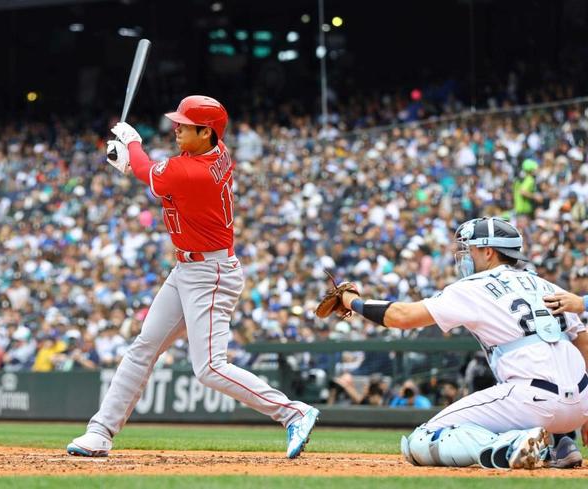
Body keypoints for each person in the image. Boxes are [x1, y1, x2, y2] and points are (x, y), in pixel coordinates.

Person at [67, 95, 318, 459]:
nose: (176, 128)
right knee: (144, 347)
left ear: (207, 132)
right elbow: (155, 171)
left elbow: (147, 171)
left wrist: (131, 145)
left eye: (185, 125)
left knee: (210, 368)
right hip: (188, 268)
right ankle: (101, 431)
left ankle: (293, 411)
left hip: (210, 273)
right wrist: (130, 155)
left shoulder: (193, 171)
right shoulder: (212, 154)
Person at [333, 217, 588, 469]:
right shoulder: (547, 285)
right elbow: (584, 343)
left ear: (488, 251)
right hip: (581, 401)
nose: (465, 255)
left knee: (420, 440)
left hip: (531, 399)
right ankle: (562, 444)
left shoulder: (474, 286)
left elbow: (401, 317)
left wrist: (351, 301)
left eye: (470, 249)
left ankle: (514, 444)